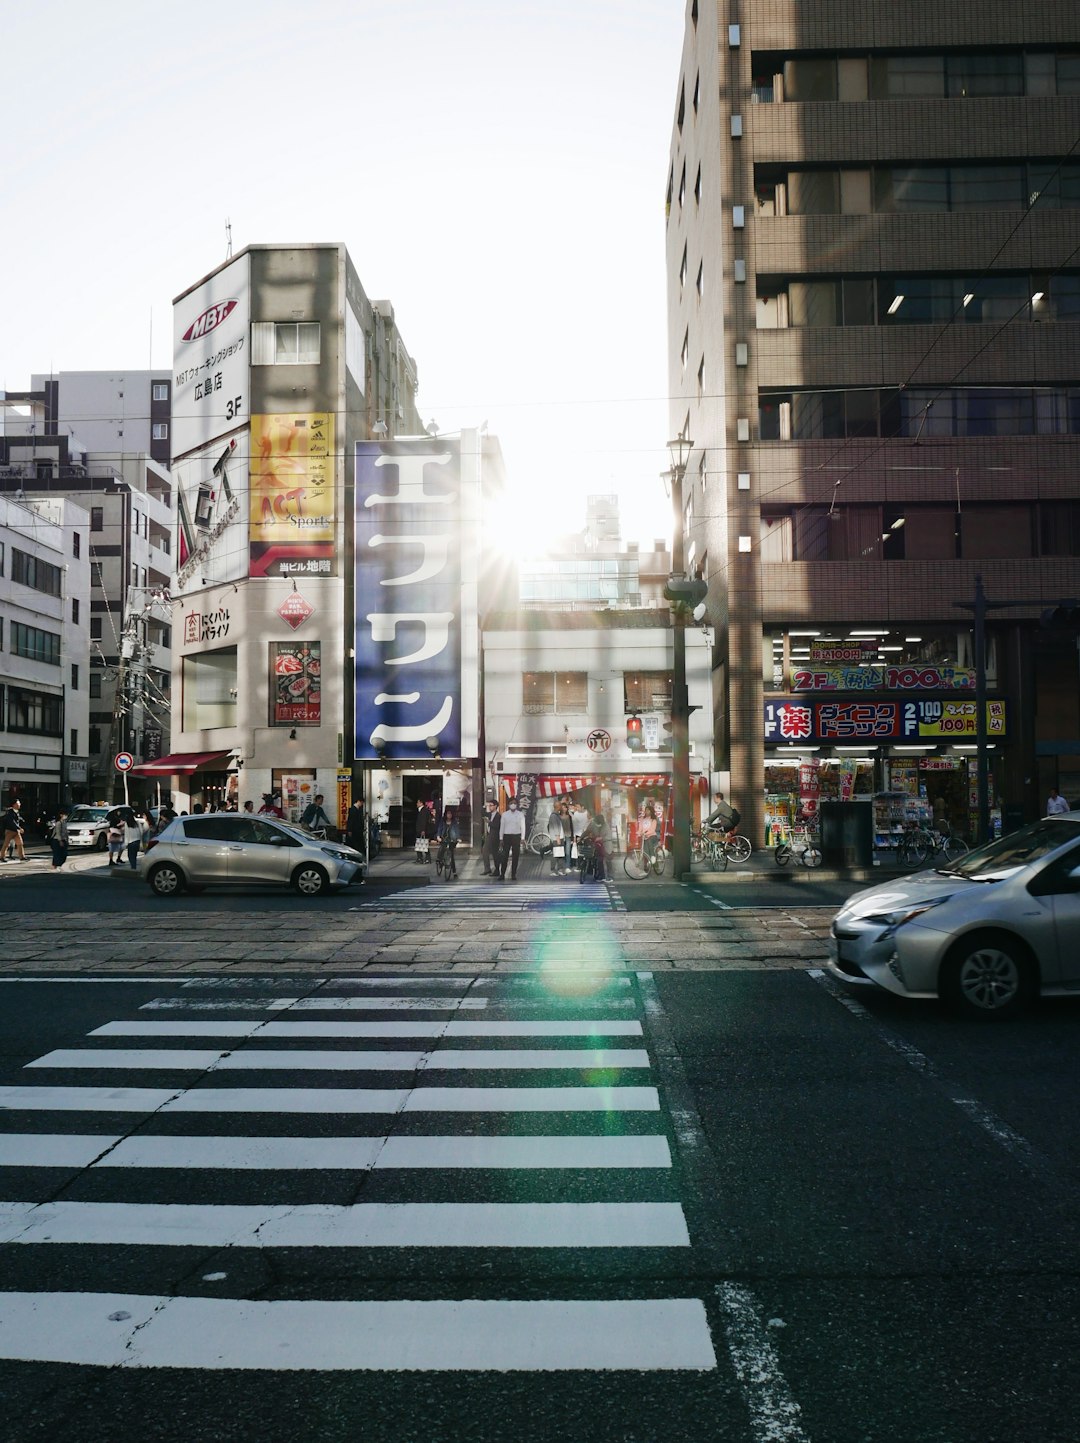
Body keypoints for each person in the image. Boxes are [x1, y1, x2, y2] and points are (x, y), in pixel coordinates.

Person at [498, 797, 526, 881]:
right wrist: (501, 838)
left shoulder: (520, 814)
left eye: (514, 803)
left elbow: (523, 827)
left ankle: (513, 874)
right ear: (508, 804)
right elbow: (501, 827)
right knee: (504, 856)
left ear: (517, 805)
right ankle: (502, 874)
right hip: (506, 836)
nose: (513, 805)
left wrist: (522, 838)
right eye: (511, 803)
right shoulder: (505, 814)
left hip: (516, 836)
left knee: (515, 856)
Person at [580, 810, 607, 880]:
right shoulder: (597, 824)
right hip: (597, 843)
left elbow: (587, 832)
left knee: (598, 858)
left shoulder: (597, 824)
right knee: (597, 858)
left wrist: (581, 838)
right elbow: (587, 832)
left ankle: (598, 873)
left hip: (599, 843)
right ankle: (599, 874)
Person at [436, 806, 460, 878]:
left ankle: (454, 872)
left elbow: (456, 830)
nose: (449, 815)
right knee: (441, 849)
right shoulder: (442, 821)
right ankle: (439, 860)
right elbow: (439, 829)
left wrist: (458, 838)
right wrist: (438, 836)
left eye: (450, 814)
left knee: (451, 855)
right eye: (448, 814)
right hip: (444, 838)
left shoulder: (454, 822)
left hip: (451, 840)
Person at [481, 800, 501, 875]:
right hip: (490, 835)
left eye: (491, 805)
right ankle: (488, 869)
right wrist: (484, 806)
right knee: (485, 850)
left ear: (495, 806)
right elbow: (483, 813)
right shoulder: (490, 814)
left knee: (494, 853)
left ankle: (496, 870)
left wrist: (489, 822)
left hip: (495, 836)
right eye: (489, 805)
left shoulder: (498, 816)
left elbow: (497, 826)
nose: (490, 807)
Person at [546, 802, 566, 877]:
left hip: (559, 837)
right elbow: (555, 827)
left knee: (560, 854)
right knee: (556, 854)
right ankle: (553, 870)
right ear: (558, 806)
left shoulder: (556, 815)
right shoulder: (554, 816)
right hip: (557, 838)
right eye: (561, 806)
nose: (562, 807)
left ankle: (560, 869)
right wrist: (557, 837)